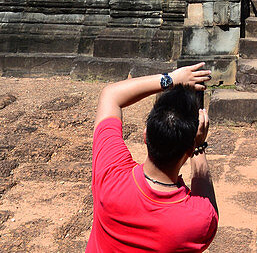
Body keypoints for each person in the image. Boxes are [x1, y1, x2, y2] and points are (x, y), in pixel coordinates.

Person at [86, 62, 217, 253]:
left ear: (145, 135)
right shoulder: (198, 220)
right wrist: (199, 148)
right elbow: (208, 204)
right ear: (189, 150)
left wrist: (170, 79)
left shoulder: (111, 176)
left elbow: (111, 95)